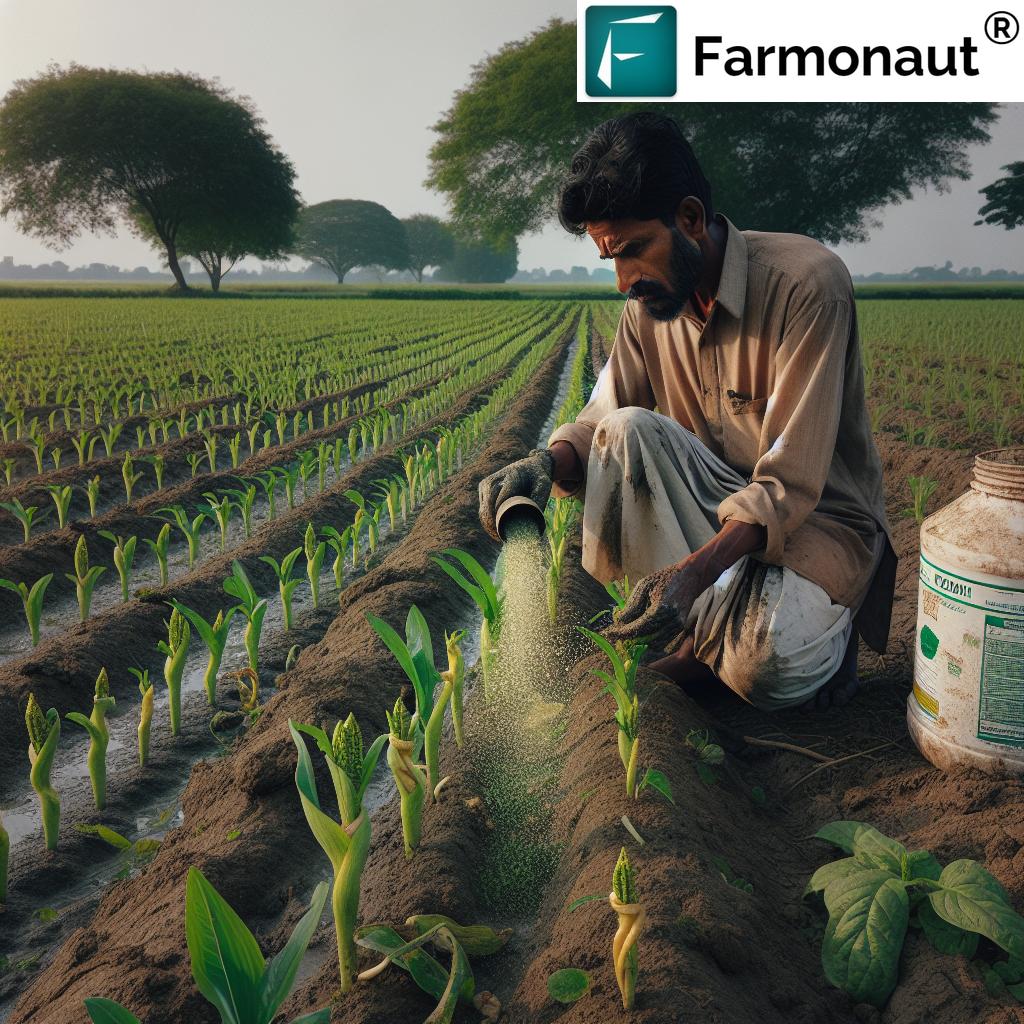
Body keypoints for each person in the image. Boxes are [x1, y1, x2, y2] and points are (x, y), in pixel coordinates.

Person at [478, 112, 896, 713]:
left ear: (691, 218)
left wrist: (695, 573)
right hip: (722, 509)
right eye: (609, 259)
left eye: (633, 251)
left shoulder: (806, 284)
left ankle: (808, 635)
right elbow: (603, 419)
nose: (624, 281)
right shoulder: (648, 309)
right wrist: (545, 462)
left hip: (816, 522)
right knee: (625, 431)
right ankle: (705, 639)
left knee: (765, 671)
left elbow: (788, 483)